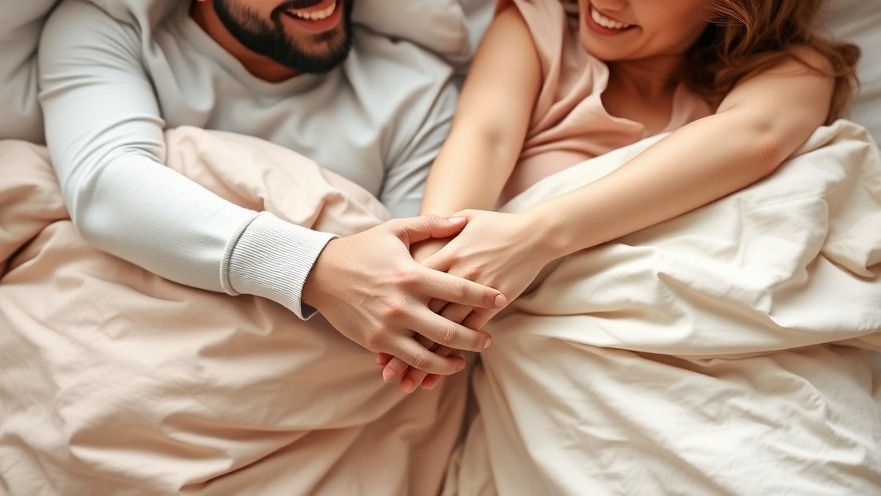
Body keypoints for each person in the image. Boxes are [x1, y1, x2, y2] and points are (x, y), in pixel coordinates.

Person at [378, 0, 861, 392]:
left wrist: (534, 238)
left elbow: (758, 138)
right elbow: (485, 137)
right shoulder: (539, 29)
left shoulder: (795, 68)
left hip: (739, 363)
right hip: (567, 369)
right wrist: (430, 283)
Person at [37, 0, 505, 378]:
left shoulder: (418, 91)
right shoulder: (114, 28)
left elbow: (410, 299)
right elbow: (104, 187)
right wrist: (313, 270)